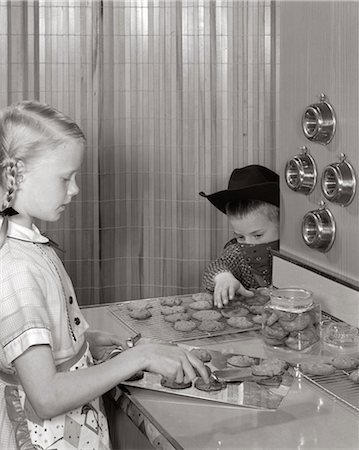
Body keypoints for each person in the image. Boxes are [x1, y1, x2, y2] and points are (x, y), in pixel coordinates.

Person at [0, 100, 209, 450]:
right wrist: (138, 357)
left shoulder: (29, 246)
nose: (75, 189)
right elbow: (46, 396)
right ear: (16, 175)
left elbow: (32, 346)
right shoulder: (17, 269)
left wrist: (78, 344)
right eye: (65, 177)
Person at [199, 164, 280, 309]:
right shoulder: (237, 252)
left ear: (283, 225)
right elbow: (214, 267)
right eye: (240, 237)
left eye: (258, 235)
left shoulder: (294, 254)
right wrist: (223, 277)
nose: (248, 244)